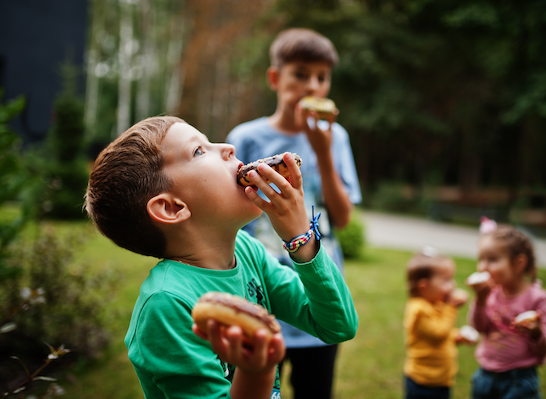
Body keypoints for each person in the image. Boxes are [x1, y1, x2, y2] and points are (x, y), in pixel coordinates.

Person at [84, 116, 358, 399]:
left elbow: (337, 325)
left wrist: (301, 237)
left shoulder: (247, 251)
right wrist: (256, 371)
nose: (227, 147)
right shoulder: (168, 304)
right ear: (171, 207)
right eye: (199, 150)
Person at [226, 27, 362, 399]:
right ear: (275, 78)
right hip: (260, 289)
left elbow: (343, 216)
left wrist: (322, 151)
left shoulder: (336, 138)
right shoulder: (247, 137)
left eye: (322, 77)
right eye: (301, 74)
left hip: (316, 287)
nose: (313, 86)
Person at [468, 223, 546, 399]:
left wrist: (536, 332)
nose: (482, 267)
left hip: (519, 381)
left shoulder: (537, 299)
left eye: (492, 260)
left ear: (518, 263)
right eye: (481, 259)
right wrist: (480, 300)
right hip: (485, 375)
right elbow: (478, 327)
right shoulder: (490, 293)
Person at [403, 247, 472, 399]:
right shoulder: (419, 310)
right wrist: (452, 307)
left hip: (441, 381)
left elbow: (440, 335)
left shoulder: (436, 304)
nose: (452, 285)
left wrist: (456, 337)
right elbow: (438, 334)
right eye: (446, 280)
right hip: (423, 382)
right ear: (424, 286)